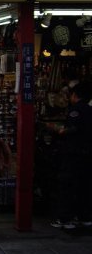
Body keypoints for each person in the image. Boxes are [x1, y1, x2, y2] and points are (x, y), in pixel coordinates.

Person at [50, 82, 92, 229]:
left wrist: (57, 129)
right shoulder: (89, 110)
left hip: (73, 153)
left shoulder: (76, 110)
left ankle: (64, 218)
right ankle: (85, 217)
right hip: (87, 154)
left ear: (74, 95)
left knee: (68, 185)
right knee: (85, 186)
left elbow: (71, 129)